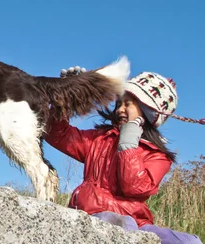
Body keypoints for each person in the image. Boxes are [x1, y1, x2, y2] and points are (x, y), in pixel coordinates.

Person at [45, 69, 202, 244]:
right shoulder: (98, 139)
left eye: (127, 104)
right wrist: (67, 96)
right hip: (93, 215)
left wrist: (128, 146)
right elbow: (56, 134)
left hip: (137, 224)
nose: (120, 109)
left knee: (187, 241)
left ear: (147, 111)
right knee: (116, 222)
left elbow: (133, 188)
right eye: (118, 104)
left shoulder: (158, 156)